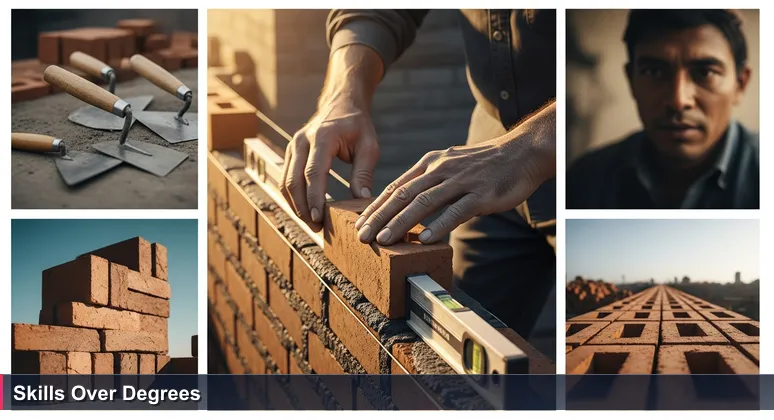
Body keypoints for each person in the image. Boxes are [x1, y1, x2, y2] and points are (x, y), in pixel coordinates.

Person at [280, 10, 557, 357]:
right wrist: (342, 94)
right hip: (486, 167)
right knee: (458, 351)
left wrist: (530, 147)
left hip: (596, 181)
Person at [567, 9, 759, 209]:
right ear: (631, 81)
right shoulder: (584, 180)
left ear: (740, 84)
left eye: (705, 73)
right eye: (653, 72)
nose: (678, 100)